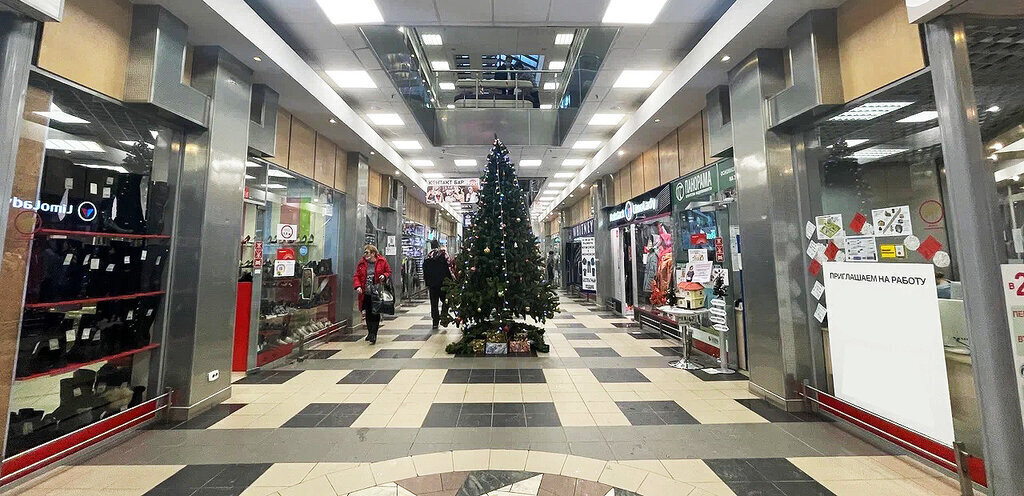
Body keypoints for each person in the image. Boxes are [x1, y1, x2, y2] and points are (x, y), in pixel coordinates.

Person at [354, 244, 391, 344]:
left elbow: (388, 271)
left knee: (376, 312)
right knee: (368, 312)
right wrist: (357, 286)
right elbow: (357, 275)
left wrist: (384, 275)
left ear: (373, 253)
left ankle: (374, 334)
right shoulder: (362, 263)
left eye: (367, 252)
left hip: (376, 292)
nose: (365, 254)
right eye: (364, 252)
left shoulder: (382, 261)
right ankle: (370, 332)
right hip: (365, 292)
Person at [423, 239, 454, 329]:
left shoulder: (427, 257)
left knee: (434, 304)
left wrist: (427, 282)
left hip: (432, 285)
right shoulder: (444, 255)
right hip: (443, 283)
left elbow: (425, 272)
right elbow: (449, 268)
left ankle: (435, 322)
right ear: (438, 245)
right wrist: (450, 281)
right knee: (446, 301)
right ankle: (443, 316)